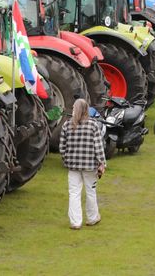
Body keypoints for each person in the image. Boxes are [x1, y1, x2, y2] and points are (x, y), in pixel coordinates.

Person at [59, 98, 105, 230]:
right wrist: (102, 163)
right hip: (90, 166)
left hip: (73, 166)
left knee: (74, 193)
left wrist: (66, 159)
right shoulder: (93, 125)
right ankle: (92, 218)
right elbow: (98, 147)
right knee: (91, 191)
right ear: (86, 110)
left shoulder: (67, 125)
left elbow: (62, 147)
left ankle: (75, 222)